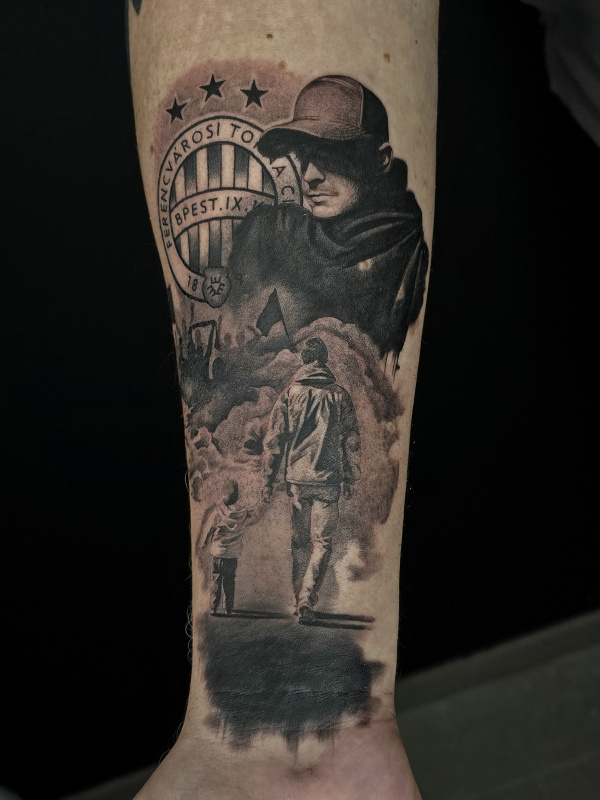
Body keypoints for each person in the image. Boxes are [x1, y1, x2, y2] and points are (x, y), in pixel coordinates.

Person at [228, 75, 429, 360]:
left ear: (380, 159)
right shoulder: (274, 233)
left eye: (330, 154)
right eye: (302, 156)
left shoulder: (410, 250)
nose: (309, 176)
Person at [262, 338, 360, 621]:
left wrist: (268, 480)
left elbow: (274, 442)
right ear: (325, 360)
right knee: (323, 542)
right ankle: (306, 599)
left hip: (297, 480)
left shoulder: (289, 394)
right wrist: (350, 475)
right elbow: (351, 440)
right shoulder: (340, 395)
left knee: (299, 542)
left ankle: (298, 600)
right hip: (328, 480)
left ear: (304, 360)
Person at [196, 479, 253, 615]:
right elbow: (252, 516)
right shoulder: (242, 513)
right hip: (232, 554)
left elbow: (211, 529)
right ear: (237, 496)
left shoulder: (218, 511)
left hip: (217, 552)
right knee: (229, 580)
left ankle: (213, 607)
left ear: (223, 495)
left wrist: (205, 543)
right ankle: (228, 608)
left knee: (216, 579)